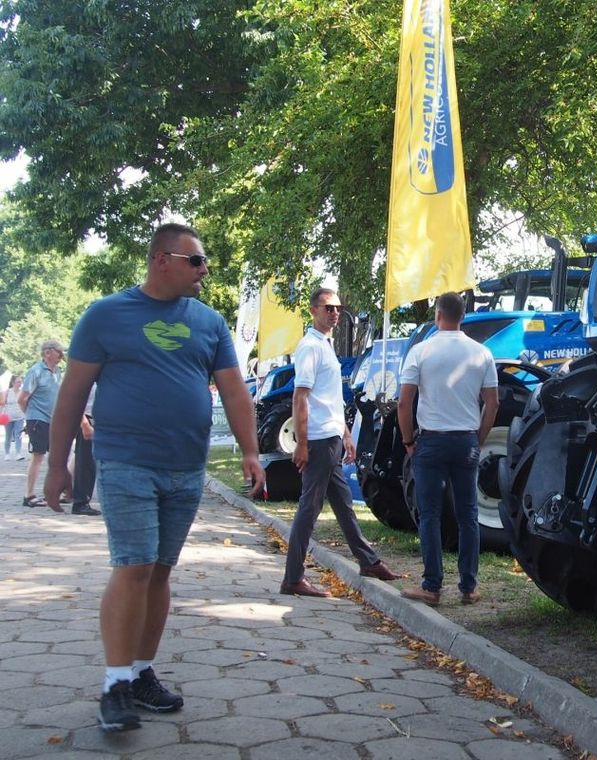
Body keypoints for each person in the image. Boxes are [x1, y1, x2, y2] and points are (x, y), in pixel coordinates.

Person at [43, 222, 266, 733]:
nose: (205, 270)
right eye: (196, 261)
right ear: (162, 259)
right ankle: (115, 686)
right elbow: (72, 394)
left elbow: (234, 392)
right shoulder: (105, 316)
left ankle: (142, 673)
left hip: (186, 467)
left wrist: (251, 451)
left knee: (161, 570)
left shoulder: (208, 323)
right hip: (125, 462)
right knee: (134, 567)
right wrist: (58, 466)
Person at [281, 287, 399, 598]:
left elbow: (330, 398)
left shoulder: (325, 344)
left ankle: (368, 561)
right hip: (317, 440)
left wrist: (346, 434)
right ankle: (293, 578)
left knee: (344, 505)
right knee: (309, 507)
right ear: (313, 311)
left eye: (337, 308)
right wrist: (302, 443)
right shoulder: (310, 347)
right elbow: (300, 397)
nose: (334, 313)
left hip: (331, 437)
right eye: (327, 308)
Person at [397, 291, 498, 607]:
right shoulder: (482, 353)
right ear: (463, 316)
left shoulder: (421, 351)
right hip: (466, 439)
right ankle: (468, 587)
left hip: (431, 440)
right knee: (468, 513)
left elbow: (404, 402)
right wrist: (478, 438)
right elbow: (493, 402)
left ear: (437, 315)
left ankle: (432, 586)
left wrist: (408, 441)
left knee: (430, 514)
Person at [19, 340, 66, 508]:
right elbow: (22, 398)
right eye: (59, 352)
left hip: (52, 420)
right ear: (48, 353)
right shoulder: (36, 371)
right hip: (38, 419)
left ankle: (51, 493)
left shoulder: (57, 372)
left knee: (57, 456)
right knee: (38, 457)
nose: (61, 355)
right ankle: (29, 495)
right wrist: (31, 416)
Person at [70, 383, 101, 516]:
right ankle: (80, 502)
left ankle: (80, 498)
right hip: (87, 419)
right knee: (85, 462)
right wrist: (84, 424)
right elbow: (75, 400)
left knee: (88, 462)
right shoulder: (89, 376)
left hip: (99, 419)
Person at [3, 374, 25, 461]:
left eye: (21, 381)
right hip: (8, 417)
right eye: (18, 382)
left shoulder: (22, 392)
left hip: (20, 417)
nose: (20, 383)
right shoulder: (7, 392)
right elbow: (2, 404)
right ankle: (7, 454)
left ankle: (18, 453)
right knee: (8, 436)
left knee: (18, 435)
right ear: (13, 383)